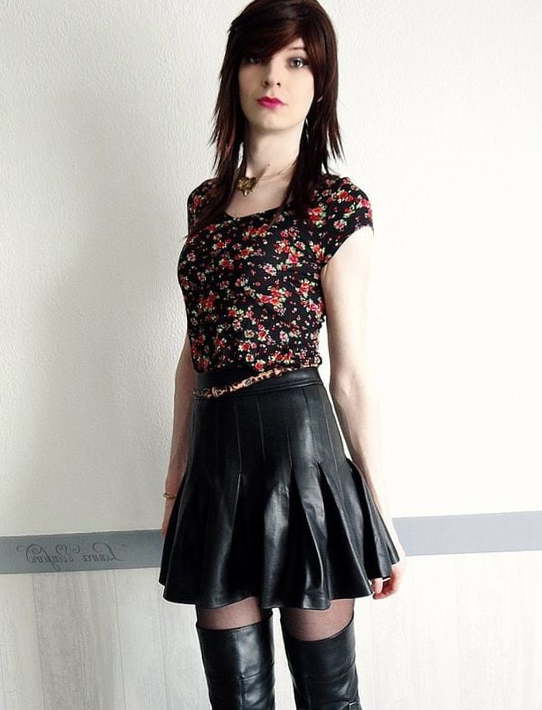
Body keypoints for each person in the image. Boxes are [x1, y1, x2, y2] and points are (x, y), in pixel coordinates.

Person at [159, 0, 406, 707]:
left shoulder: (334, 204)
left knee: (328, 697)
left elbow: (350, 373)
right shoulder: (204, 205)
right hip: (215, 460)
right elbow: (193, 352)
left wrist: (379, 513)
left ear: (319, 83)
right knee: (236, 697)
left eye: (297, 61)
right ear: (234, 74)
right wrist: (174, 486)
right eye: (257, 57)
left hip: (302, 456)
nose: (274, 76)